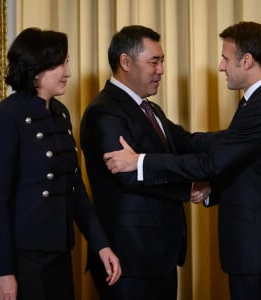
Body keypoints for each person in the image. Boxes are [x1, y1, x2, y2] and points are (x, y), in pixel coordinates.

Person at [104, 21, 261, 300]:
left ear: (247, 61)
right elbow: (241, 156)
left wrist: (139, 162)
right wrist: (212, 188)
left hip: (259, 252)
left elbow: (211, 163)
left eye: (226, 58)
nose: (221, 66)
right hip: (255, 252)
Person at [80, 25, 213, 300]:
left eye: (162, 61)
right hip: (128, 261)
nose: (161, 70)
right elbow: (127, 175)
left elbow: (188, 142)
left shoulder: (150, 109)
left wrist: (242, 138)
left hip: (157, 258)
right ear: (126, 62)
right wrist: (186, 188)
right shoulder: (104, 111)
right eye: (154, 61)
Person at [0, 27, 121, 300]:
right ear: (37, 69)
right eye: (61, 63)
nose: (68, 72)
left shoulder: (60, 114)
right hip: (23, 260)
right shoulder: (5, 118)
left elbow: (75, 190)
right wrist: (2, 271)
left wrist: (102, 246)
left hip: (59, 252)